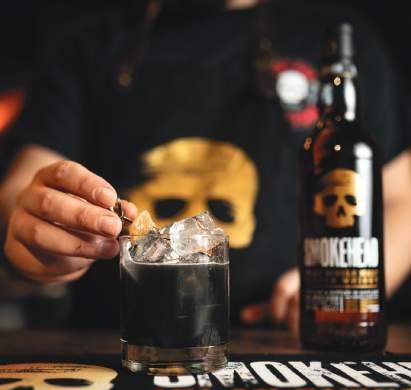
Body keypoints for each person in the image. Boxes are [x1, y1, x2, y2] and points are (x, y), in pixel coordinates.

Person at [1, 0, 410, 330]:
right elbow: (25, 183)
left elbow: (400, 198)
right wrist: (36, 225)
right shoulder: (87, 43)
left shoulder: (341, 41)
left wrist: (342, 289)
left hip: (284, 344)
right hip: (117, 345)